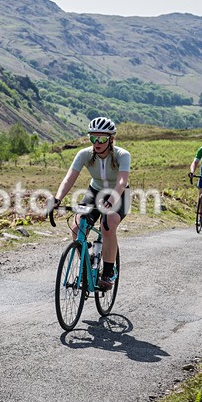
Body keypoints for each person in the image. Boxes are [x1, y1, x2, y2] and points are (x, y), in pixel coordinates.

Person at [52, 117, 130, 290]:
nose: (97, 142)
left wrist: (111, 201)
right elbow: (69, 178)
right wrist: (57, 198)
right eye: (93, 138)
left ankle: (108, 272)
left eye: (101, 138)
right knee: (77, 227)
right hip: (95, 192)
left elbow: (122, 182)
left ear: (111, 139)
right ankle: (86, 267)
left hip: (119, 194)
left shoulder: (122, 155)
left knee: (108, 225)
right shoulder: (85, 154)